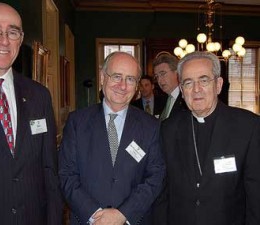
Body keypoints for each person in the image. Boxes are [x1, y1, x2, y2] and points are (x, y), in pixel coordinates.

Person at [0, 3, 63, 225]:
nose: (4, 40)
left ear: (21, 37)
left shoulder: (39, 96)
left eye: (13, 32)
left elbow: (49, 171)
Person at [59, 51, 165, 225]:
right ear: (102, 78)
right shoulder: (77, 122)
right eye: (117, 76)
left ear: (136, 85)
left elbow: (155, 176)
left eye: (130, 79)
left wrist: (122, 214)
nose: (122, 86)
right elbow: (66, 175)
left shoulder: (151, 126)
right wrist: (95, 215)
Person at [159, 51, 260, 225]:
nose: (196, 89)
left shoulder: (248, 126)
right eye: (188, 83)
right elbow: (162, 193)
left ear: (219, 85)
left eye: (204, 80)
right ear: (182, 90)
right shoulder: (168, 129)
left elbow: (256, 196)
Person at [153, 52, 187, 120]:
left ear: (177, 73)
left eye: (162, 74)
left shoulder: (186, 98)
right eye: (157, 76)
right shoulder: (160, 100)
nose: (159, 80)